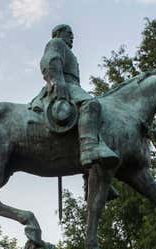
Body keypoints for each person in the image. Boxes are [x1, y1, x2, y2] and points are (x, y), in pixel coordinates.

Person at [31, 24, 119, 169]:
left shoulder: (68, 51)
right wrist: (57, 81)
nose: (72, 36)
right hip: (64, 84)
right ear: (59, 33)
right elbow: (50, 60)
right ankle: (88, 148)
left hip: (72, 86)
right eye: (69, 33)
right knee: (91, 104)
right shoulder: (56, 43)